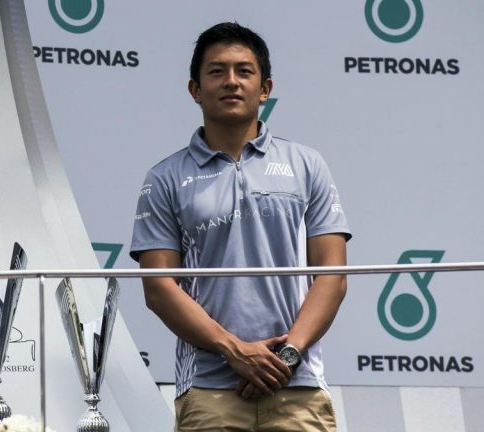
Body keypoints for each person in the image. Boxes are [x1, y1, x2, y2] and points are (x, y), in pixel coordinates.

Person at [130, 22, 351, 431]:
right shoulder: (164, 178)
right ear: (195, 89)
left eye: (244, 71)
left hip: (298, 386)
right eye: (216, 71)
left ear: (265, 89)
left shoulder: (307, 165)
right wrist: (234, 350)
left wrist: (286, 357)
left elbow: (332, 276)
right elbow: (158, 288)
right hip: (208, 390)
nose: (231, 81)